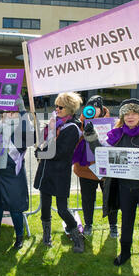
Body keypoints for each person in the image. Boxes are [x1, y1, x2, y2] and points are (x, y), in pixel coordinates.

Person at [84, 98, 139, 266]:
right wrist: (91, 136)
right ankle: (125, 253)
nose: (130, 117)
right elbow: (100, 152)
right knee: (127, 220)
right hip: (125, 187)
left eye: (134, 113)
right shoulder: (117, 133)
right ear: (122, 116)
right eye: (126, 114)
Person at [33, 92, 85, 253]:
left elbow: (60, 152)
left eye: (60, 107)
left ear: (69, 109)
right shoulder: (55, 123)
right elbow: (42, 141)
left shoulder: (72, 128)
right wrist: (45, 129)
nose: (57, 109)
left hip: (59, 173)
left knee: (62, 209)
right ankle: (46, 236)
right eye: (56, 106)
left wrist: (41, 153)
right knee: (45, 205)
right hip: (46, 171)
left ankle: (77, 237)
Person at [0, 97, 34, 249]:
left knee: (15, 207)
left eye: (13, 111)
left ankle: (19, 236)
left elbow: (30, 136)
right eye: (7, 111)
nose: (9, 114)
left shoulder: (21, 127)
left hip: (12, 173)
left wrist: (23, 110)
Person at [72, 95, 118, 238]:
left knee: (110, 198)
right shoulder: (80, 123)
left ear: (101, 108)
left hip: (106, 169)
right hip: (87, 170)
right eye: (89, 107)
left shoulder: (113, 123)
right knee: (87, 199)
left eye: (95, 107)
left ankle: (113, 225)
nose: (92, 110)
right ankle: (88, 224)